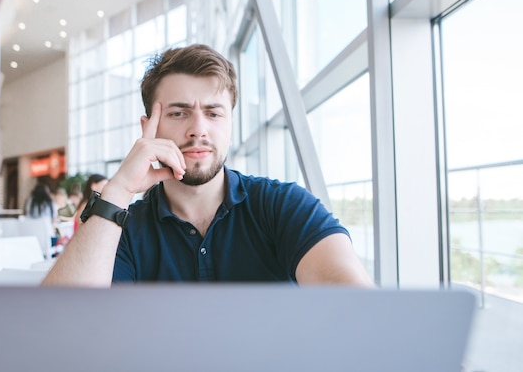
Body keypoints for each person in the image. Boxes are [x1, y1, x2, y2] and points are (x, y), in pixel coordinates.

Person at [43, 44, 373, 288]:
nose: (198, 128)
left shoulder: (282, 205)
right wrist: (118, 189)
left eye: (214, 113)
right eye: (178, 112)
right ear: (149, 128)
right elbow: (60, 325)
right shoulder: (126, 230)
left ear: (230, 127)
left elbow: (356, 303)